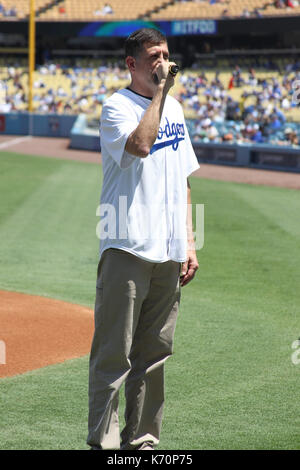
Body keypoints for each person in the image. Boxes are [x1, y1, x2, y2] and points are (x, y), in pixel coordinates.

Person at [87, 28, 200, 451]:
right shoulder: (116, 107)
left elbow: (184, 179)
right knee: (114, 356)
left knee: (154, 357)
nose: (163, 61)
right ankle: (106, 445)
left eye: (166, 54)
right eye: (154, 55)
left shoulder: (176, 108)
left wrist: (189, 244)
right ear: (132, 63)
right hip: (126, 246)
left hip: (167, 252)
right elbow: (139, 144)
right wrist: (160, 95)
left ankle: (144, 442)